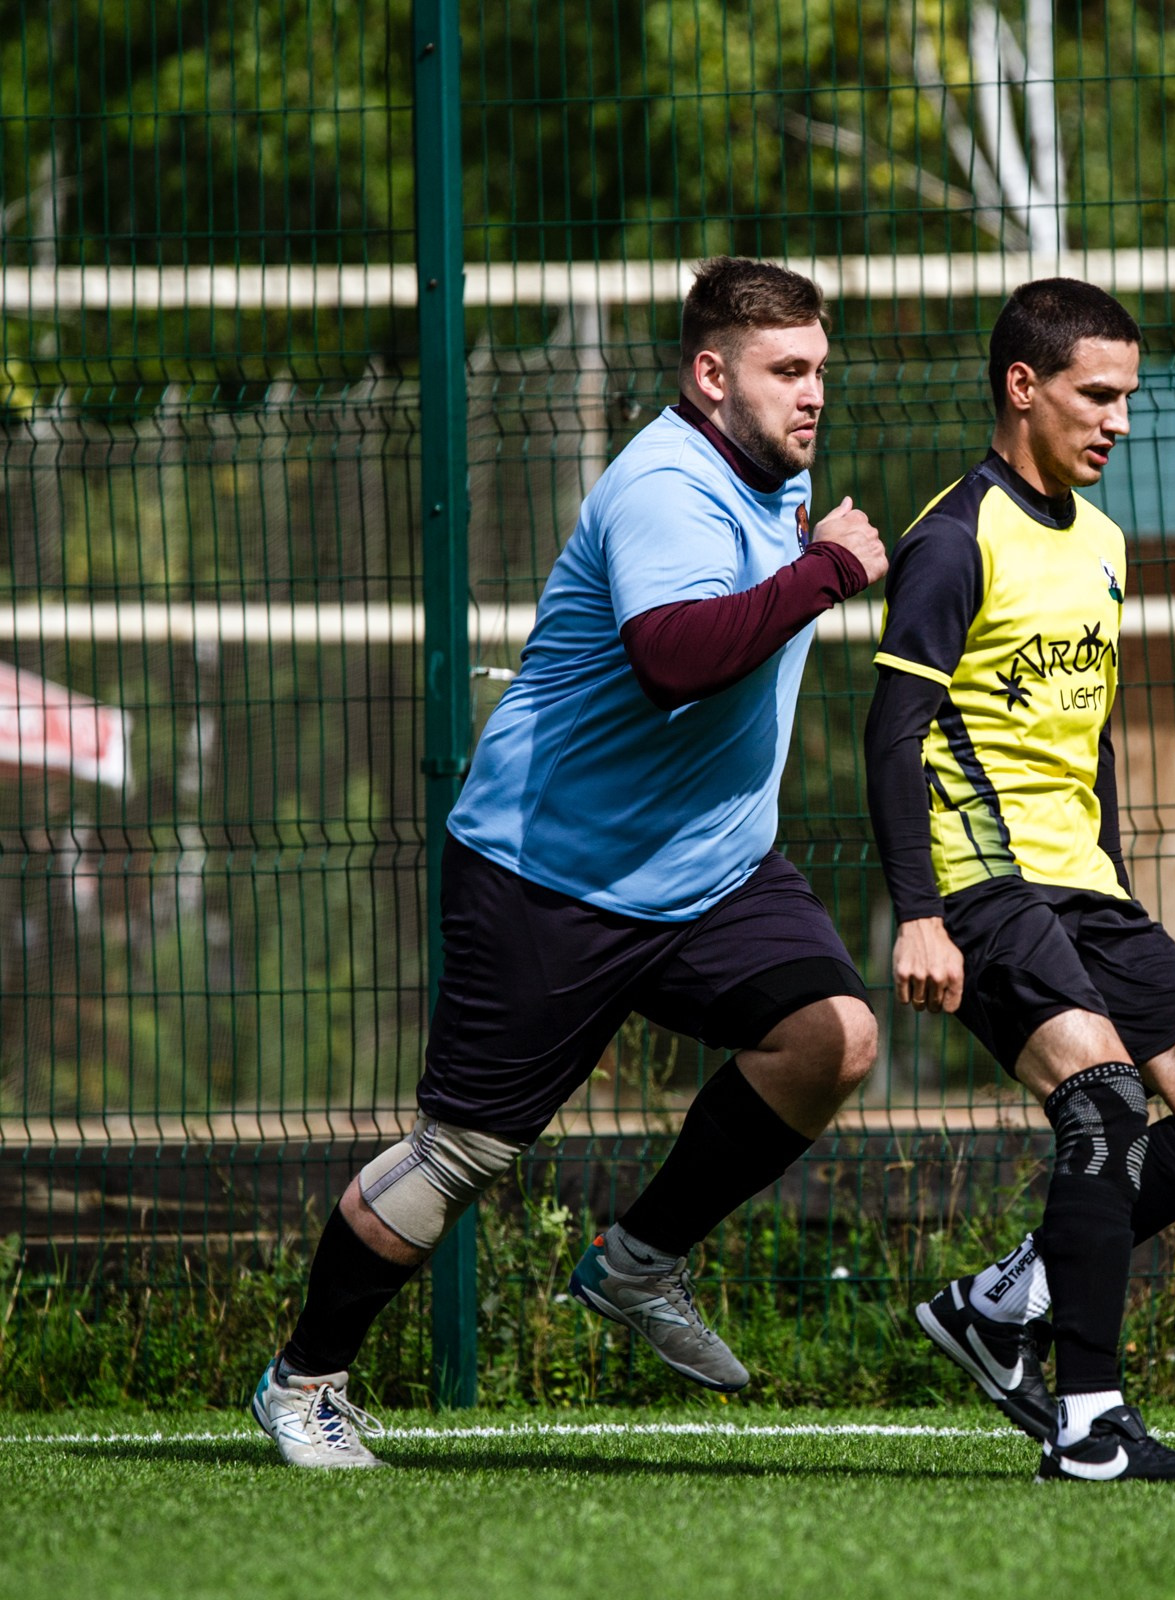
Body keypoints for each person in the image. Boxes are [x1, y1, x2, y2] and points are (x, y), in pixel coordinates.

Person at [250, 258, 887, 1468]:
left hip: (712, 872)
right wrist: (825, 576)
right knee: (464, 1155)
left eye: (820, 372)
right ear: (711, 376)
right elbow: (672, 658)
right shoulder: (666, 484)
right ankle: (304, 1381)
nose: (814, 396)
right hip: (550, 875)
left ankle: (639, 1263)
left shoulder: (772, 481)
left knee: (832, 1037)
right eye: (787, 371)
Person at [863, 278, 1175, 1484]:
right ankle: (1091, 1426)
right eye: (1098, 396)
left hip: (1083, 884)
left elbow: (1088, 733)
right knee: (1102, 1104)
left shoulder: (1102, 543)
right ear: (1023, 387)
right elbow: (894, 736)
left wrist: (1118, 881)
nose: (1120, 422)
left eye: (1128, 399)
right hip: (982, 875)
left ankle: (1007, 1300)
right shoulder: (952, 537)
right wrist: (921, 915)